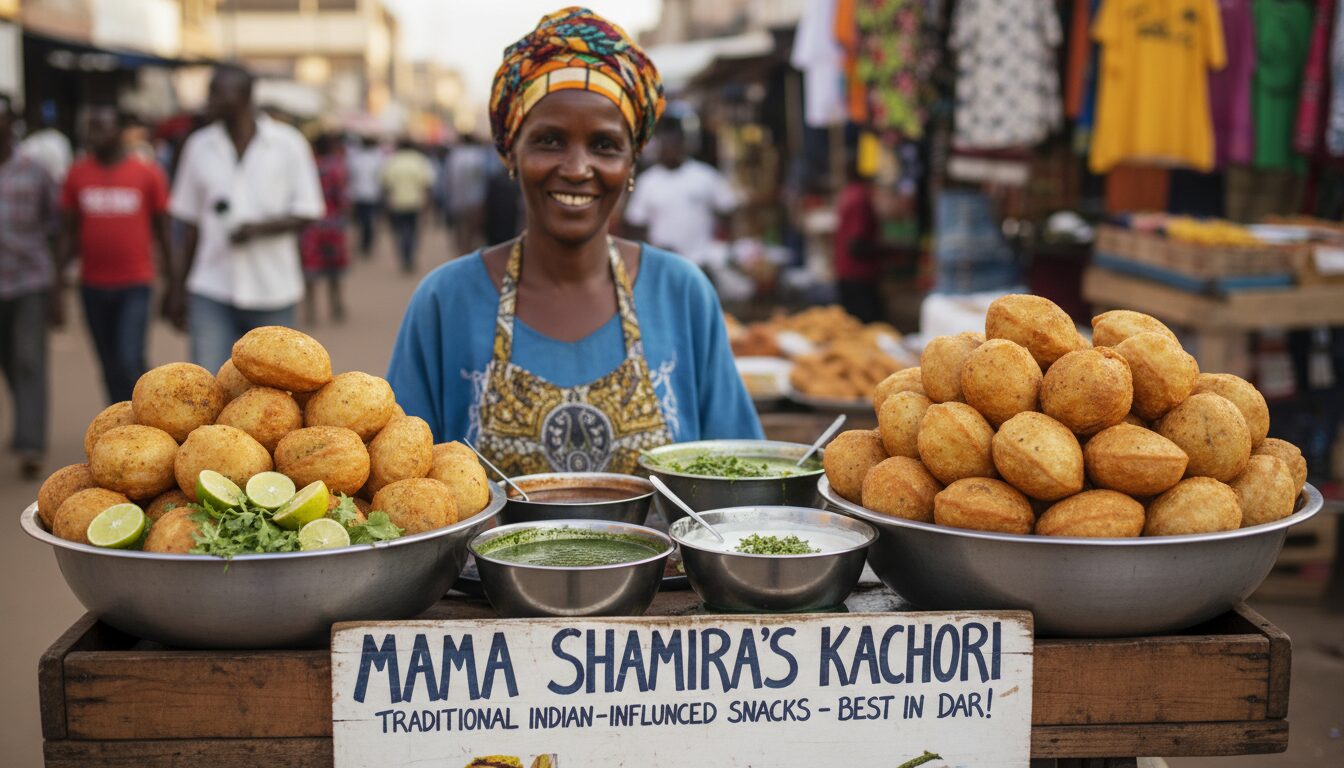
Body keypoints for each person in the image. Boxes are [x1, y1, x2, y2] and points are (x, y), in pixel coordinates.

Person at [387, 7, 762, 476]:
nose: (577, 168)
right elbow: (397, 484)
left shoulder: (681, 293)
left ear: (630, 165)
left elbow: (741, 478)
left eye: (604, 146)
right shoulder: (446, 301)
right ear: (511, 153)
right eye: (549, 140)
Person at [166, 64, 325, 373]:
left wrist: (258, 229)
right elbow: (189, 223)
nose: (208, 99)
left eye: (217, 92)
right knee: (207, 387)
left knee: (275, 394)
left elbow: (309, 210)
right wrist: (176, 288)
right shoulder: (198, 146)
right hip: (211, 287)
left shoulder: (288, 144)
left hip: (273, 289)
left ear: (245, 96)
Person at [57, 104, 172, 404]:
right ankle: (119, 423)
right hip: (93, 285)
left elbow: (164, 232)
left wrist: (173, 284)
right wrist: (56, 284)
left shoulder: (147, 173)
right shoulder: (77, 174)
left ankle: (147, 414)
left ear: (119, 131)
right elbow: (68, 232)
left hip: (135, 283)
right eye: (90, 128)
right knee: (108, 362)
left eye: (102, 127)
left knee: (129, 357)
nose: (94, 135)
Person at [0, 100, 59, 479]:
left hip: (29, 282)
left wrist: (56, 290)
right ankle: (21, 425)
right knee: (8, 359)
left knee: (28, 359)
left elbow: (54, 227)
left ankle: (31, 444)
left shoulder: (35, 172)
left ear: (13, 123)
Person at [624, 120, 739, 268]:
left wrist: (720, 245)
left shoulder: (704, 175)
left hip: (702, 261)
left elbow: (728, 207)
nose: (670, 150)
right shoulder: (648, 181)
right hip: (663, 261)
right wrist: (652, 250)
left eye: (674, 145)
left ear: (683, 147)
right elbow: (636, 223)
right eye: (666, 146)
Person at [300, 133, 350, 324]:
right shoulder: (336, 168)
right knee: (334, 270)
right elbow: (342, 198)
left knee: (311, 271)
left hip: (311, 228)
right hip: (332, 226)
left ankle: (310, 311)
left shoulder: (309, 167)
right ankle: (336, 306)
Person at [832, 164, 886, 323]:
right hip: (859, 276)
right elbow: (857, 245)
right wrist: (892, 251)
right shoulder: (860, 199)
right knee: (866, 326)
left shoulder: (848, 193)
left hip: (847, 273)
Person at [381, 137, 435, 274]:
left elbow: (385, 184)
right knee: (413, 231)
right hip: (416, 203)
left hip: (396, 203)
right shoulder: (420, 160)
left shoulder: (392, 161)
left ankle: (405, 257)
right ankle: (409, 256)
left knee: (400, 232)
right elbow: (427, 184)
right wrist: (428, 205)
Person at [445, 135, 489, 255]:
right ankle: (468, 251)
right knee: (472, 231)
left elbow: (448, 180)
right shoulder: (479, 156)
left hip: (457, 199)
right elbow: (484, 181)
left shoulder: (455, 156)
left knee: (460, 229)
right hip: (476, 200)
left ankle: (461, 251)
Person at [346, 135, 383, 257]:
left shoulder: (357, 158)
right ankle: (365, 243)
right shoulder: (376, 158)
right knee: (366, 222)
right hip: (369, 194)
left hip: (362, 194)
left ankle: (365, 244)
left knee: (364, 222)